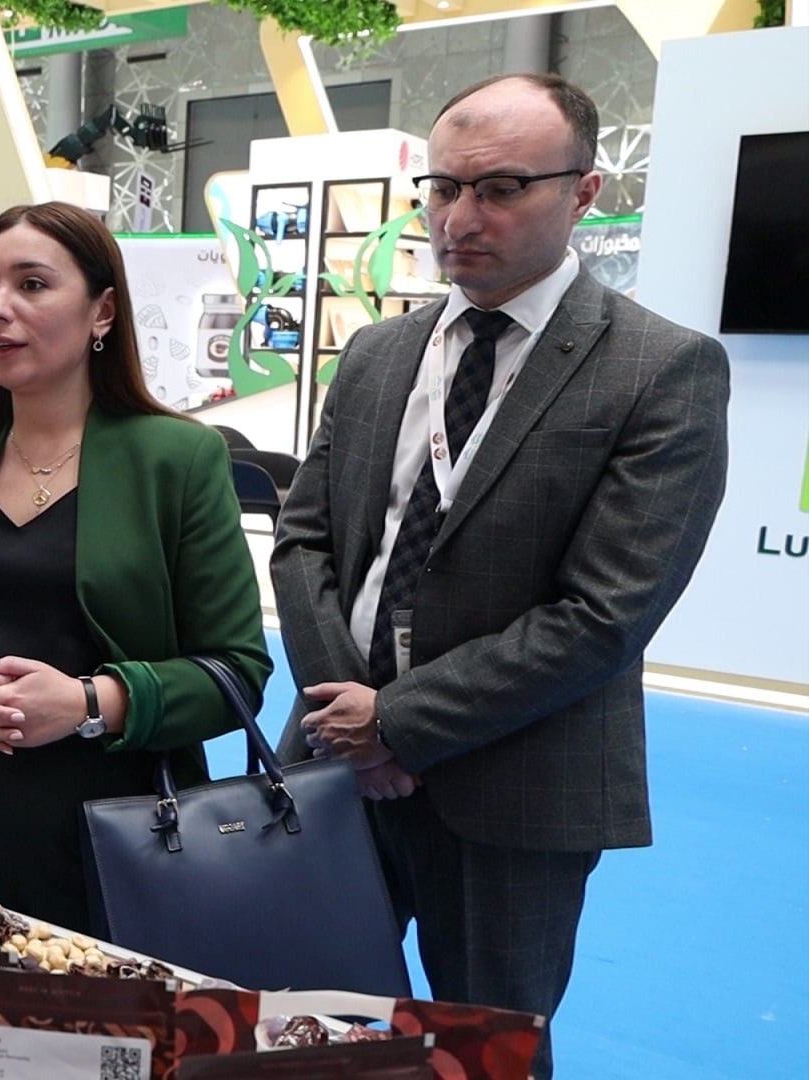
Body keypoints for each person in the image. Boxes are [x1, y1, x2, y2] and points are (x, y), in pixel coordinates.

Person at [270, 74, 730, 1078]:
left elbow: (604, 614)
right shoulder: (378, 353)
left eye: (502, 188)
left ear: (585, 191)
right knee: (289, 1031)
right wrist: (350, 720)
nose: (459, 218)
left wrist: (398, 722)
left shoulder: (660, 370)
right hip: (331, 764)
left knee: (483, 1055)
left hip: (515, 786)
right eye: (442, 188)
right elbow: (302, 544)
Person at [0, 202, 272, 931]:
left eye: (32, 284)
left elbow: (236, 671)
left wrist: (90, 702)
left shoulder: (177, 460)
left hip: (125, 832)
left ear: (102, 311)